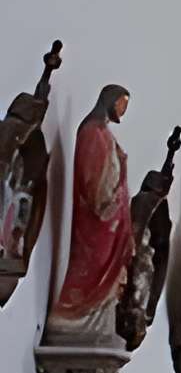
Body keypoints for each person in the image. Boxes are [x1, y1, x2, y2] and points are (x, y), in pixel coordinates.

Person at [44, 85, 132, 347]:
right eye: (121, 103)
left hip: (111, 222)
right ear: (109, 101)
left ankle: (97, 322)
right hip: (98, 222)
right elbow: (92, 180)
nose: (123, 110)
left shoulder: (104, 133)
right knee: (92, 266)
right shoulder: (92, 132)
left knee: (109, 274)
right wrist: (110, 201)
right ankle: (72, 316)